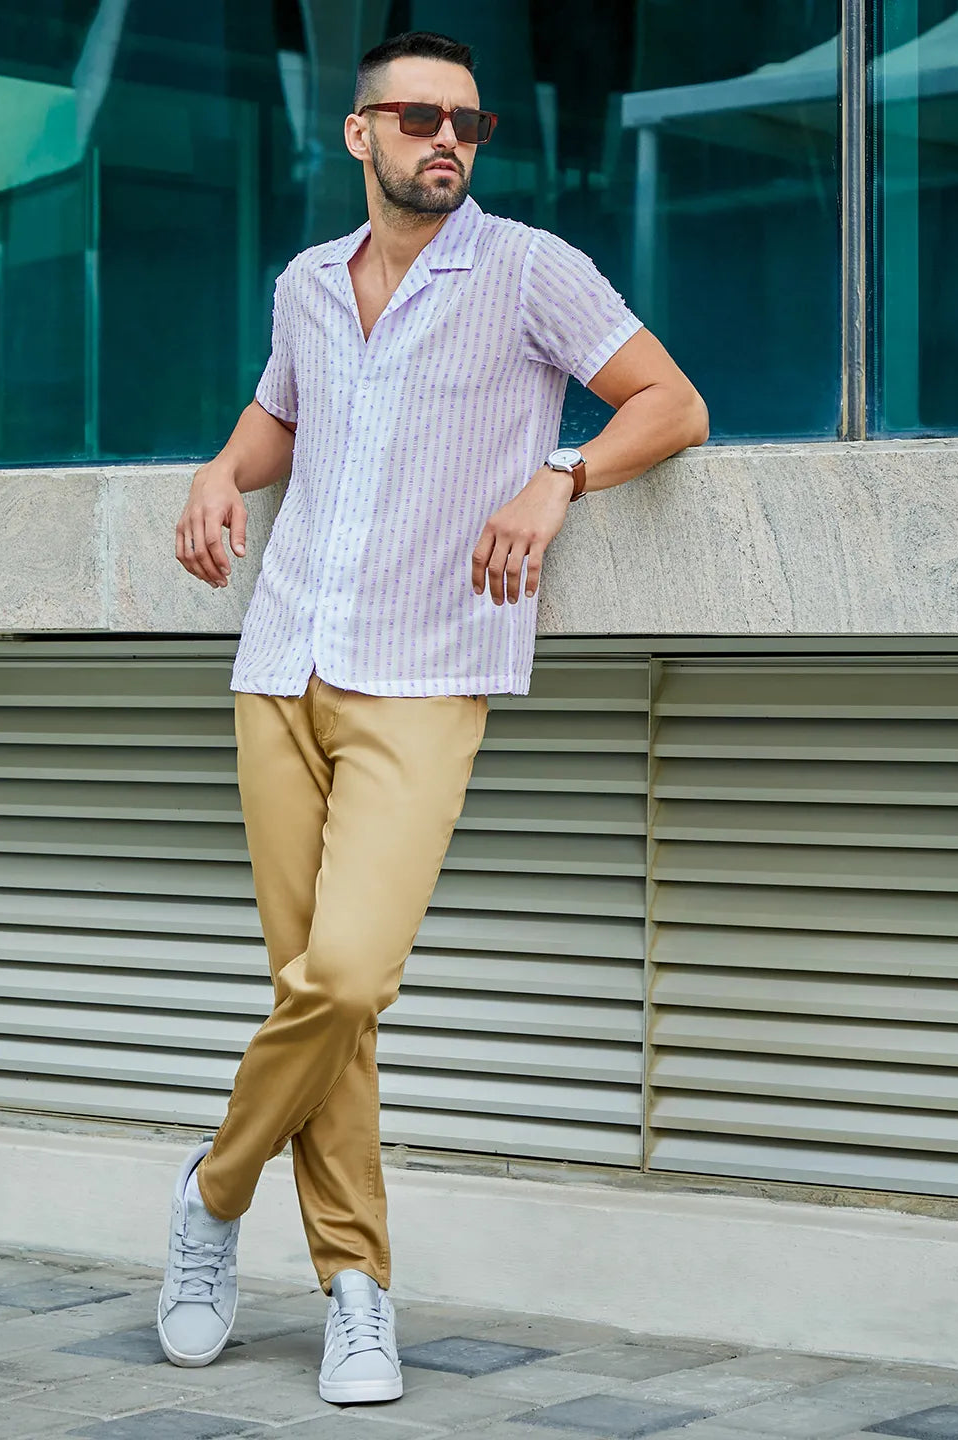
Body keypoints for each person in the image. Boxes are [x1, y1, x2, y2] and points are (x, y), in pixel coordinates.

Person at [159, 28, 708, 1405]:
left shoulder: (528, 269)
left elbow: (672, 401)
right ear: (361, 134)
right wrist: (222, 469)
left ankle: (213, 1191)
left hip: (426, 671)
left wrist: (560, 475)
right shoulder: (304, 283)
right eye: (416, 117)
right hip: (283, 662)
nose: (447, 138)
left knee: (346, 978)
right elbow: (285, 418)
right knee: (316, 1002)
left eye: (468, 121)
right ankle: (356, 1290)